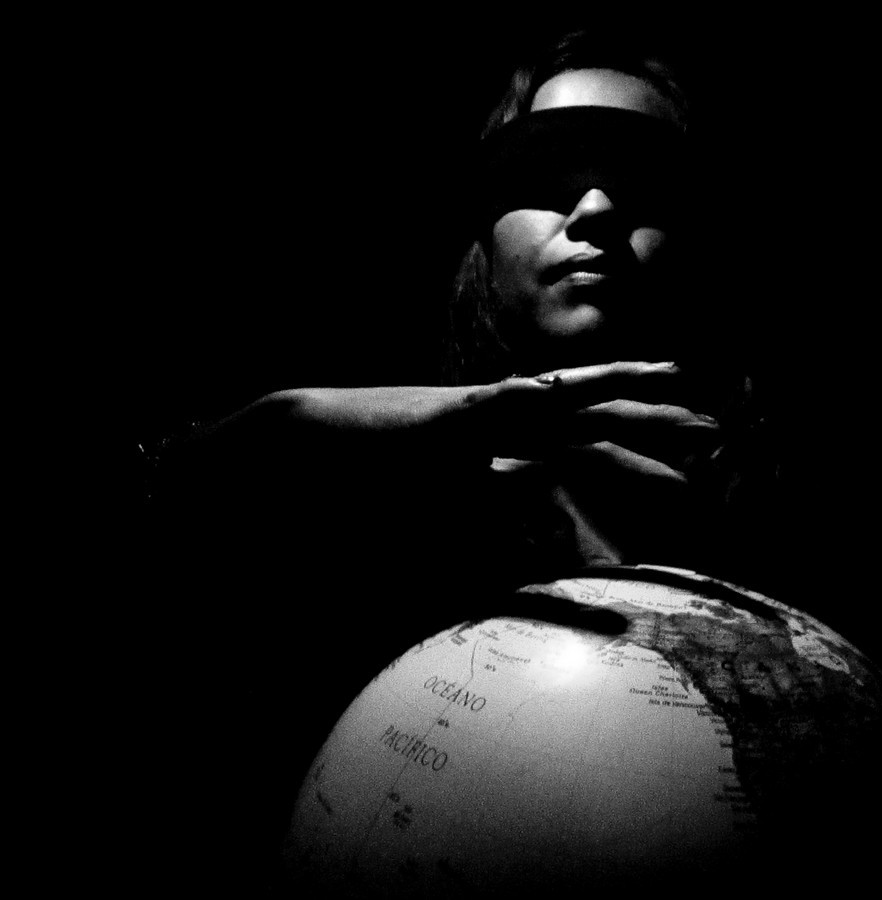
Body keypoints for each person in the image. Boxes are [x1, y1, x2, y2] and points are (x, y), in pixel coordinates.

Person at [135, 28, 805, 892]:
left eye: (642, 181)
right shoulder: (359, 485)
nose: (596, 210)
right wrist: (238, 450)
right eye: (544, 177)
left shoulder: (790, 501)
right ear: (482, 231)